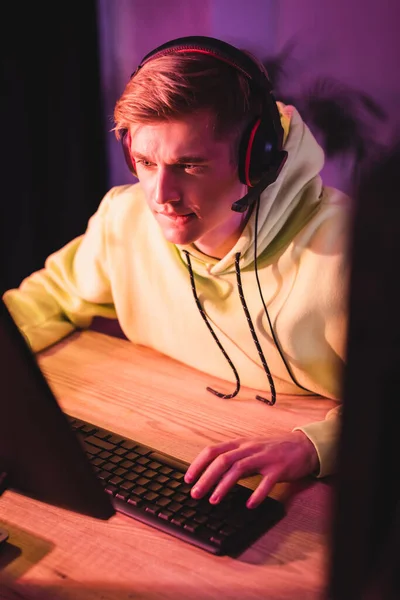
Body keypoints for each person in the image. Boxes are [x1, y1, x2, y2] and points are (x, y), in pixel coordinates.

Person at [2, 36, 351, 509]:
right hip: (170, 436)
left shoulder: (346, 254)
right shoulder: (122, 221)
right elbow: (50, 298)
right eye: (145, 163)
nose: (160, 195)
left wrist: (312, 447)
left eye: (189, 165)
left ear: (257, 159)